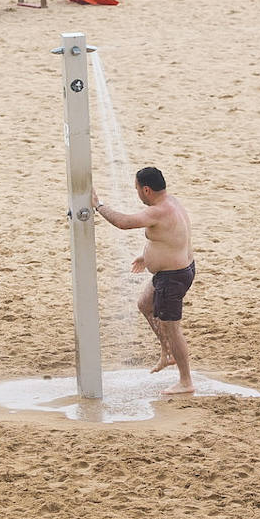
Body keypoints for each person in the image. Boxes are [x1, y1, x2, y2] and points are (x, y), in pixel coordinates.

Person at [92, 166, 195, 394]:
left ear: (146, 190)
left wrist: (98, 205)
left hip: (173, 277)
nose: (137, 193)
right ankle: (167, 352)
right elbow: (173, 237)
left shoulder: (158, 211)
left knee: (173, 328)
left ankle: (186, 381)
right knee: (144, 304)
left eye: (137, 189)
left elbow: (124, 222)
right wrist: (146, 256)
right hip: (174, 271)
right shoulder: (171, 202)